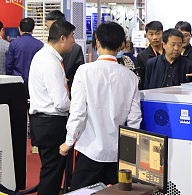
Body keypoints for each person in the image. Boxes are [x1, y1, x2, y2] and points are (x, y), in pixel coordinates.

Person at [60, 22, 142, 189]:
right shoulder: (131, 77)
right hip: (118, 153)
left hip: (90, 150)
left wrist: (68, 141)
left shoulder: (84, 71)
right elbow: (135, 119)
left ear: (97, 42)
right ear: (121, 46)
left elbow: (78, 112)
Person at [28, 20, 75, 195]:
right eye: (72, 37)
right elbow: (61, 103)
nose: (74, 40)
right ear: (62, 38)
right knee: (52, 173)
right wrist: (77, 108)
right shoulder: (50, 61)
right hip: (51, 123)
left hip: (43, 122)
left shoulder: (44, 56)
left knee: (51, 171)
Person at [44, 10, 84, 88]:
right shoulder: (45, 51)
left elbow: (80, 75)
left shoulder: (75, 49)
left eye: (53, 28)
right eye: (49, 29)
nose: (51, 32)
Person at [5, 17, 43, 83]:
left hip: (16, 81)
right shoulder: (40, 44)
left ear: (19, 29)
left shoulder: (13, 43)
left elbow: (9, 64)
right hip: (34, 81)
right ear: (32, 30)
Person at [135, 21, 164, 89]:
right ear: (146, 35)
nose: (155, 37)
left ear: (163, 34)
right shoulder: (142, 56)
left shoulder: (168, 52)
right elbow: (141, 79)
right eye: (151, 34)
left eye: (158, 34)